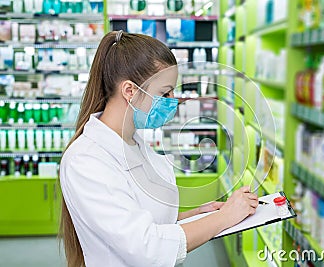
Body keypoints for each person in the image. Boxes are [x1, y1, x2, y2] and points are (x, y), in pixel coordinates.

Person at [59, 30, 259, 267]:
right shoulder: (86, 160)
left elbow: (144, 221)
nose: (173, 100)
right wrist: (225, 217)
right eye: (165, 92)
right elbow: (146, 247)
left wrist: (198, 215)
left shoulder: (133, 143)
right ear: (130, 91)